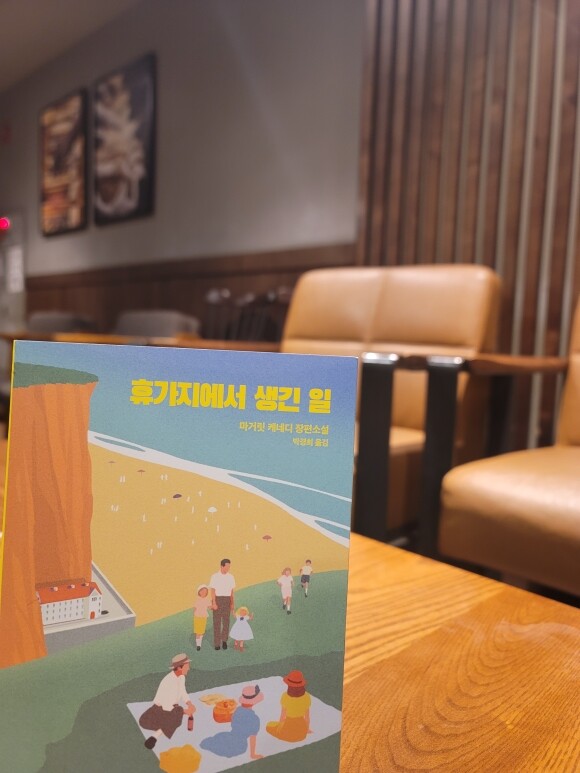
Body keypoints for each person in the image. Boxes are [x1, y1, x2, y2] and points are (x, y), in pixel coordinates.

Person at [139, 654, 195, 750]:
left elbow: (183, 691)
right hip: (160, 710)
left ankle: (155, 735)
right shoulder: (169, 681)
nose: (188, 669)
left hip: (171, 708)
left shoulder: (181, 677)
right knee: (177, 714)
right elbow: (167, 706)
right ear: (179, 668)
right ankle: (157, 734)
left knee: (177, 713)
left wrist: (189, 703)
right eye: (187, 666)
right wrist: (185, 712)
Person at [200, 684, 265, 760]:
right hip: (240, 745)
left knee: (216, 741)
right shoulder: (254, 719)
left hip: (230, 735)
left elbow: (234, 722)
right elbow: (252, 738)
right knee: (226, 747)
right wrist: (253, 754)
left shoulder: (237, 710)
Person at [266, 670, 312, 742]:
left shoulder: (285, 696)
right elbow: (307, 718)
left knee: (268, 725)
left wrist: (279, 728)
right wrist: (307, 729)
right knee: (274, 724)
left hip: (288, 731)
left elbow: (282, 716)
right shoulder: (307, 696)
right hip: (302, 733)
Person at [209, 558, 235, 650]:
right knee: (217, 622)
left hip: (227, 600)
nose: (228, 568)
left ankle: (224, 641)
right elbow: (212, 591)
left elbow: (232, 591)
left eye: (229, 566)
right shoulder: (215, 576)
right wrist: (214, 602)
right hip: (218, 599)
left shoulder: (231, 577)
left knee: (226, 621)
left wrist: (232, 603)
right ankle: (217, 643)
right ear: (222, 566)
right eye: (227, 566)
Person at [193, 584, 212, 650]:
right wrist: (195, 615)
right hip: (197, 617)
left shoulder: (207, 599)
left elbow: (210, 607)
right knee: (198, 632)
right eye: (202, 591)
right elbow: (195, 608)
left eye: (205, 592)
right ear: (199, 592)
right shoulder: (197, 599)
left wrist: (214, 605)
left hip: (203, 617)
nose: (204, 593)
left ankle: (199, 640)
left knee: (201, 631)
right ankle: (198, 645)